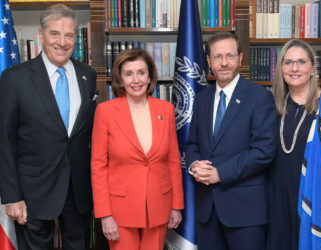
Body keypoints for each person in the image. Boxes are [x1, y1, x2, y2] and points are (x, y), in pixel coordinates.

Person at [0, 4, 97, 249]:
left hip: (78, 190)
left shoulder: (87, 75)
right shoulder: (15, 78)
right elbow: (5, 141)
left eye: (69, 35)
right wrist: (12, 197)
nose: (62, 42)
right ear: (41, 35)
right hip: (33, 192)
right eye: (55, 33)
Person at [185, 32, 277, 250]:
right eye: (217, 57)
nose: (224, 63)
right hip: (207, 210)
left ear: (240, 58)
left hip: (245, 213)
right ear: (208, 61)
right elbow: (192, 144)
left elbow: (264, 151)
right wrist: (194, 164)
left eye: (230, 56)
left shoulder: (259, 97)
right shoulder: (202, 99)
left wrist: (220, 173)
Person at [91, 48, 184, 250]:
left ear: (149, 76)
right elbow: (98, 166)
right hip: (119, 210)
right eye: (129, 74)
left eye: (141, 72)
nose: (136, 80)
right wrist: (104, 214)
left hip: (159, 205)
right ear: (120, 78)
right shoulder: (105, 112)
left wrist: (176, 205)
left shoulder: (165, 110)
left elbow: (173, 161)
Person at [267, 39, 321, 250]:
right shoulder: (270, 107)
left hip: (315, 213)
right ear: (281, 68)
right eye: (288, 62)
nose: (294, 68)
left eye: (301, 62)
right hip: (275, 211)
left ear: (313, 67)